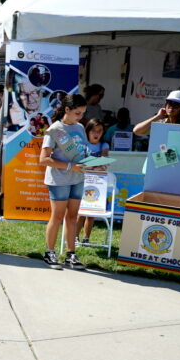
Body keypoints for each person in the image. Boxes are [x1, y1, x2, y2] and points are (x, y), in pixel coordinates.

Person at [38, 93, 89, 269]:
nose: (80, 117)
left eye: (82, 113)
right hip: (59, 179)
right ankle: (50, 253)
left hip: (78, 178)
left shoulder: (80, 127)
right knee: (58, 216)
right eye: (77, 113)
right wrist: (69, 166)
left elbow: (81, 152)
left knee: (73, 217)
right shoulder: (55, 129)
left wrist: (91, 163)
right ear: (67, 109)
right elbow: (43, 159)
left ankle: (71, 254)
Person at [76, 118, 109, 245]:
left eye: (99, 131)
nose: (96, 134)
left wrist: (90, 165)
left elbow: (105, 161)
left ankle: (86, 238)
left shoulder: (104, 145)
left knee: (91, 214)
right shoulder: (82, 145)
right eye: (93, 131)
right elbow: (80, 163)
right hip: (82, 182)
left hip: (98, 184)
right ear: (88, 131)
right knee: (81, 213)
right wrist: (95, 165)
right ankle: (75, 237)